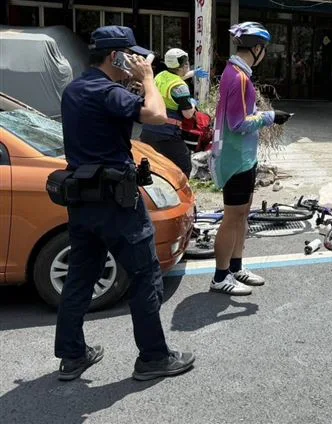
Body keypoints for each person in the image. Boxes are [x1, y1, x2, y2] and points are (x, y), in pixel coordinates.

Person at [55, 26, 194, 382]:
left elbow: (104, 120)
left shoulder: (75, 89)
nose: (136, 61)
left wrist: (131, 85)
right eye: (130, 56)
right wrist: (147, 79)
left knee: (80, 278)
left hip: (82, 199)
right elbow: (157, 114)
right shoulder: (107, 92)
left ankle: (72, 355)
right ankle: (153, 357)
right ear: (116, 56)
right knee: (145, 275)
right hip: (117, 203)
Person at [209, 22, 292, 295]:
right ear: (256, 49)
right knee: (232, 218)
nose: (265, 53)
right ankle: (221, 277)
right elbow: (237, 123)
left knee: (242, 215)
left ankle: (236, 268)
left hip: (244, 157)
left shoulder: (237, 73)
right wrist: (271, 117)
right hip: (235, 159)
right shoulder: (238, 77)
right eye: (264, 49)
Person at [139, 48, 207, 177]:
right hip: (167, 134)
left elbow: (174, 77)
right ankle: (180, 196)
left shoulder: (161, 75)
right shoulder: (180, 87)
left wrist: (193, 73)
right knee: (184, 167)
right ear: (184, 65)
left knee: (155, 169)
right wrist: (192, 103)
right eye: (187, 63)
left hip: (148, 131)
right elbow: (187, 114)